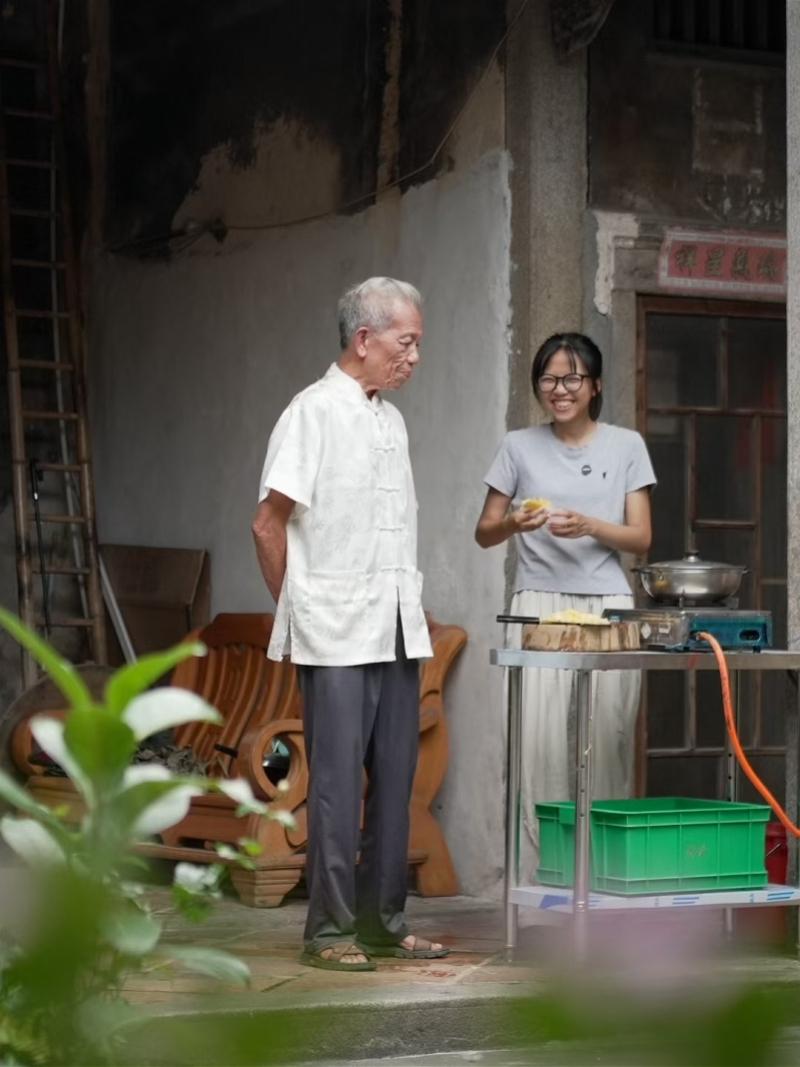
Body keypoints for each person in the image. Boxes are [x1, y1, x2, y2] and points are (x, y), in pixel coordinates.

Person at [252, 277, 448, 971]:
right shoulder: (311, 412)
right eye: (406, 342)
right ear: (365, 339)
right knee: (336, 786)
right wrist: (298, 608)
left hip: (394, 626)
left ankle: (382, 923)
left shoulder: (391, 421)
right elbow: (268, 524)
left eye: (417, 343)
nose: (414, 357)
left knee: (395, 781)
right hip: (334, 630)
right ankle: (329, 933)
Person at [474, 332, 656, 883]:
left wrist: (590, 525)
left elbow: (642, 537)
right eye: (549, 379)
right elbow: (484, 531)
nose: (559, 389)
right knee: (537, 743)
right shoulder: (517, 446)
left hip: (608, 608)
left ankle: (606, 879)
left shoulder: (626, 446)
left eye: (572, 378)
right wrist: (514, 522)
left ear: (595, 386)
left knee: (609, 740)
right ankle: (543, 882)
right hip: (538, 604)